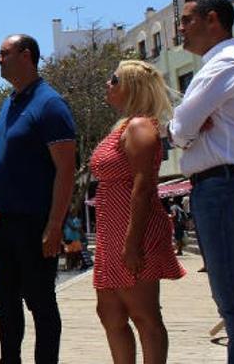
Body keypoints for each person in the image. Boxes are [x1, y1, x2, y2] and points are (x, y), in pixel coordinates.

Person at [167, 0, 234, 363]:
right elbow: (186, 125)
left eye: (187, 20)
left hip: (225, 184)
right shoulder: (219, 64)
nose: (181, 30)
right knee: (230, 296)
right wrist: (187, 126)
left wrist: (184, 129)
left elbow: (179, 129)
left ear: (214, 20)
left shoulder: (225, 64)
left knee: (233, 299)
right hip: (220, 184)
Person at [90, 60, 186, 364]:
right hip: (111, 230)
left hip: (133, 231)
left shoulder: (139, 126)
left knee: (144, 314)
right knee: (110, 312)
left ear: (131, 87)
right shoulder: (124, 126)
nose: (108, 84)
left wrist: (132, 243)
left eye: (114, 79)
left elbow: (144, 186)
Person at [0, 34, 76, 364]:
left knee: (40, 301)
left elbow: (66, 170)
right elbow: (5, 161)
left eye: (3, 53)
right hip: (6, 223)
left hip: (36, 222)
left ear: (25, 55)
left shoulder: (50, 104)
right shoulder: (9, 103)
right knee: (6, 300)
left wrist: (55, 225)